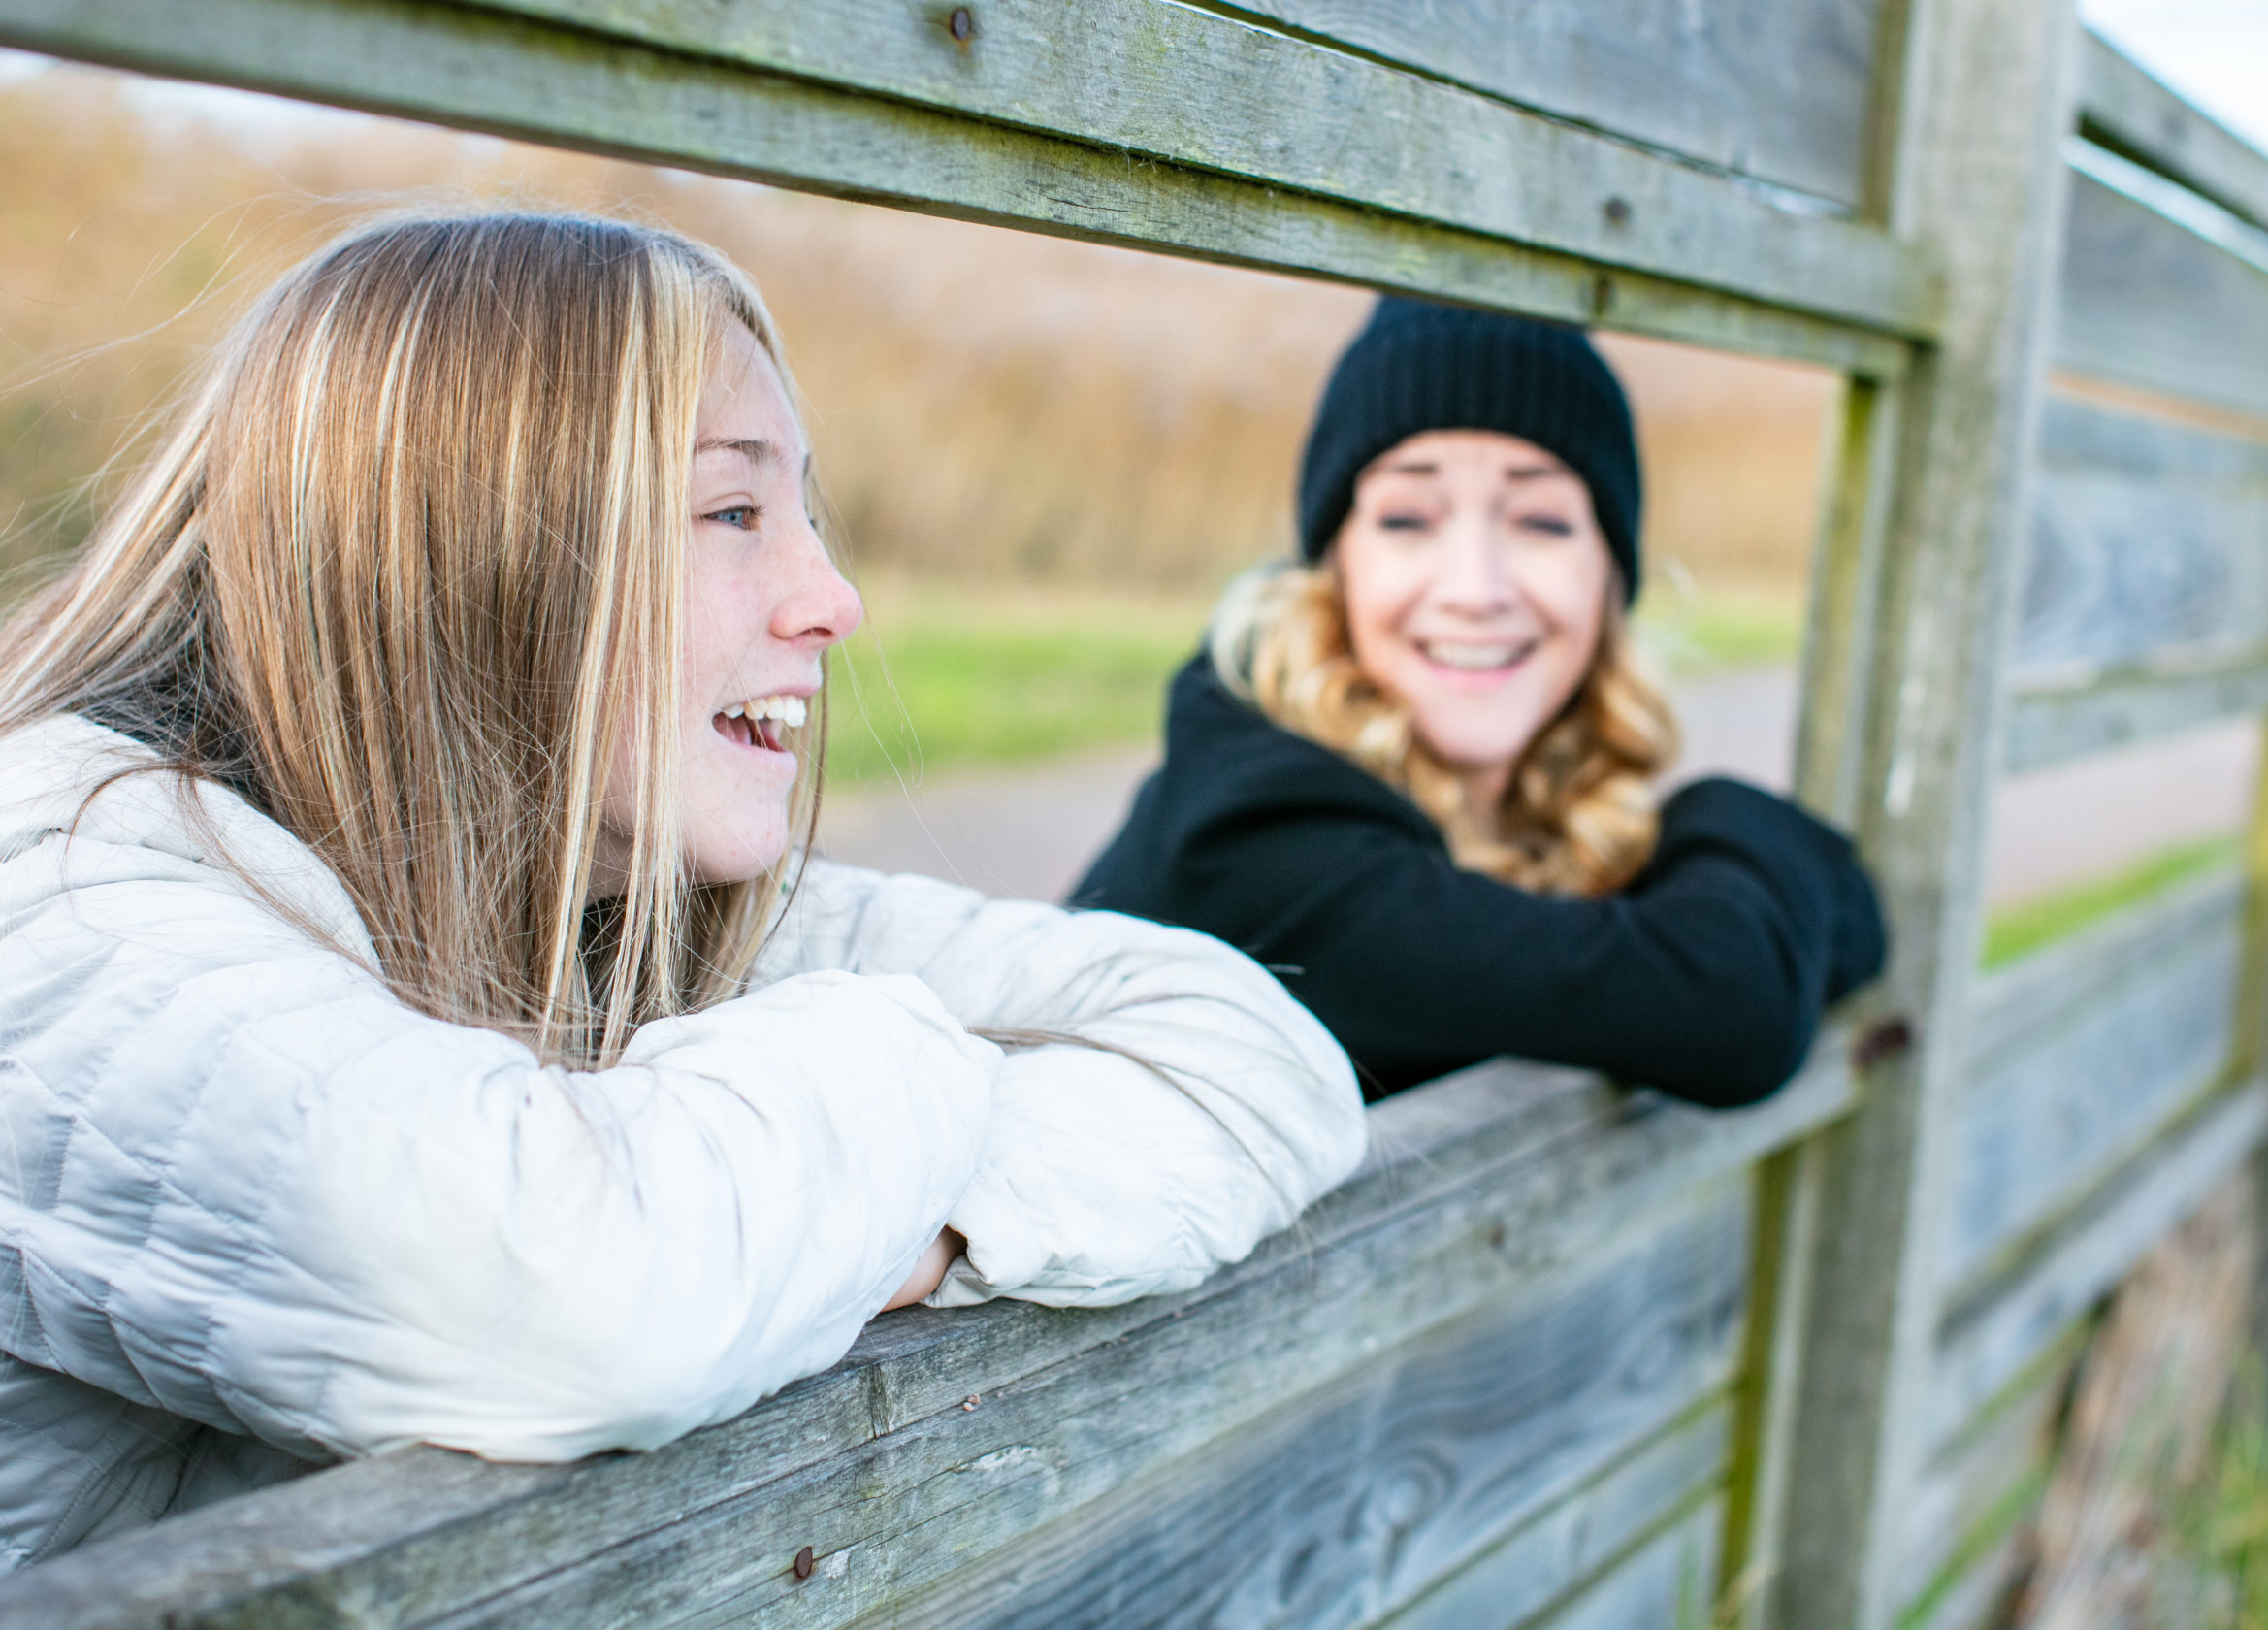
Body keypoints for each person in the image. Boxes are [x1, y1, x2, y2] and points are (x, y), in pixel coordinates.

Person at [0, 212, 1364, 1569]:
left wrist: (905, 1224)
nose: (832, 597)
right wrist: (883, 1091)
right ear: (466, 547)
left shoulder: (612, 885)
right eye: (732, 509)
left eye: (806, 514)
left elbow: (1250, 1053)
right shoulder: (61, 890)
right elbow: (570, 1300)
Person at [1076, 297, 1886, 1102]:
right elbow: (1730, 1005)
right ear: (1335, 570)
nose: (1476, 589)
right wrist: (1725, 814)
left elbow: (1854, 930)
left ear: (1610, 577)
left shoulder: (1530, 820)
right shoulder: (1252, 836)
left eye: (1540, 521)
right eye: (1406, 518)